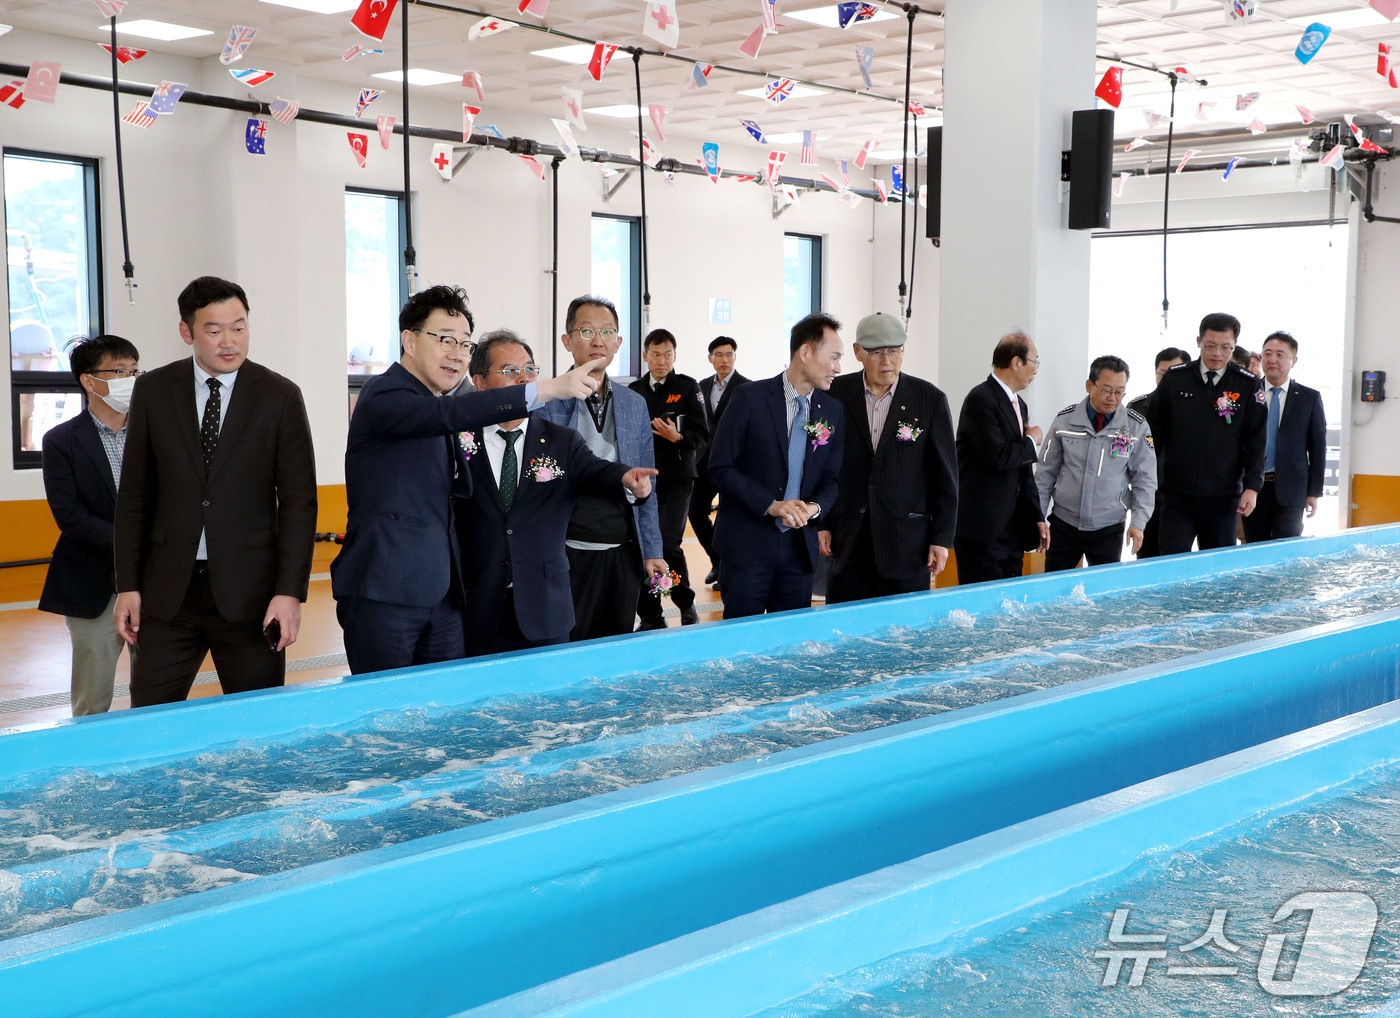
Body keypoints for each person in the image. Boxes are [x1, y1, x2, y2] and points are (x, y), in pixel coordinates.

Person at [332, 285, 601, 673]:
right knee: (385, 720)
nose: (456, 353)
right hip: (385, 594)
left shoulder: (438, 406)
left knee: (448, 716)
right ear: (409, 340)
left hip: (442, 597)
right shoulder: (385, 394)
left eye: (464, 343)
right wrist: (543, 389)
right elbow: (451, 414)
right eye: (445, 340)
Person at [114, 277, 317, 706]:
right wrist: (128, 585)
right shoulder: (153, 391)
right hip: (168, 595)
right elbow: (134, 496)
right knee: (150, 719)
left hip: (252, 597)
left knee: (256, 727)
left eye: (239, 327)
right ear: (187, 332)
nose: (230, 341)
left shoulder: (279, 396)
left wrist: (289, 593)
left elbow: (299, 503)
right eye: (214, 330)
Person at [455, 331, 657, 654]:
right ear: (479, 382)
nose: (524, 380)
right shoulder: (459, 440)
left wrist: (627, 480)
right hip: (478, 606)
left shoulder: (560, 440)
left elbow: (597, 472)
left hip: (544, 608)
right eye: (510, 372)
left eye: (530, 370)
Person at [536, 295, 666, 640]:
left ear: (618, 342)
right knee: (567, 647)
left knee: (617, 645)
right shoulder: (546, 402)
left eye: (607, 331)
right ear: (567, 340)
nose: (598, 340)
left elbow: (647, 480)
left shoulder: (634, 404)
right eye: (587, 330)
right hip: (568, 551)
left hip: (622, 549)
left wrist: (653, 550)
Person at [708, 312, 845, 618]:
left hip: (799, 550)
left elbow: (832, 480)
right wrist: (770, 505)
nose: (838, 368)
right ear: (805, 352)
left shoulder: (832, 411)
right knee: (742, 643)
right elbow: (719, 467)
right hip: (747, 545)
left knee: (790, 649)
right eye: (833, 357)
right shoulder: (750, 398)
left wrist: (813, 509)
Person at [817, 312, 957, 603]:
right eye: (877, 352)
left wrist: (941, 538)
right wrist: (823, 523)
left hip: (906, 543)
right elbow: (821, 465)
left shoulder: (928, 399)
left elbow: (946, 477)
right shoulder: (834, 396)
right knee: (845, 631)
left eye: (894, 351)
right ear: (857, 352)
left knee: (905, 635)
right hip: (848, 539)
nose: (887, 361)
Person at [38, 335, 141, 715]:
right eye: (119, 371)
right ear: (88, 381)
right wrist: (133, 542)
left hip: (154, 579)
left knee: (155, 686)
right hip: (92, 581)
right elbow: (70, 516)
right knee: (92, 692)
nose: (129, 378)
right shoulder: (61, 441)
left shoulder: (156, 433)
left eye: (134, 371)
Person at [1150, 312, 1267, 554]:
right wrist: (1148, 480)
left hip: (1223, 498)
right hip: (1176, 496)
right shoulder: (1176, 379)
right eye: (1211, 346)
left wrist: (1252, 487)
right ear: (1199, 342)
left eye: (1226, 347)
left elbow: (1256, 440)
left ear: (1234, 347)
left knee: (1218, 572)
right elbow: (1153, 433)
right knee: (1171, 564)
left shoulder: (1247, 385)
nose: (1218, 354)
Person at [1035, 355, 1157, 570]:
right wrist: (1038, 516)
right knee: (1053, 588)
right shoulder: (1065, 421)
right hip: (1065, 523)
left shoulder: (1135, 427)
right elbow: (1045, 474)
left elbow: (1145, 479)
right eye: (1107, 390)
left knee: (1104, 596)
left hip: (1108, 526)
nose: (1113, 398)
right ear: (1090, 385)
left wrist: (1138, 523)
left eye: (1119, 392)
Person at [953, 331, 1049, 584]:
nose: (1036, 369)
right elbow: (998, 456)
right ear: (1016, 362)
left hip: (1013, 527)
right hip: (982, 528)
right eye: (1034, 362)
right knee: (981, 607)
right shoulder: (980, 399)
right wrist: (1031, 441)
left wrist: (1037, 515)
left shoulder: (1020, 404)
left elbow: (1023, 468)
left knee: (1009, 608)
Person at [629, 329, 708, 628]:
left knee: (667, 543)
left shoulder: (687, 388)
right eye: (656, 354)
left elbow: (702, 436)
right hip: (641, 482)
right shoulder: (634, 391)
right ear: (645, 355)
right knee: (642, 547)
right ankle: (651, 616)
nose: (662, 361)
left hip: (676, 479)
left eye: (668, 354)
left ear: (675, 355)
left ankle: (685, 602)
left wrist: (677, 437)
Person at [1241, 331, 1327, 542]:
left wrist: (1314, 492)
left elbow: (1317, 448)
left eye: (1280, 354)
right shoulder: (1247, 394)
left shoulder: (1309, 398)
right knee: (1254, 545)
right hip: (1253, 487)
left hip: (1292, 489)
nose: (1272, 359)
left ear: (1293, 360)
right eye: (1267, 353)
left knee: (1286, 548)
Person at [689, 336, 750, 589]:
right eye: (719, 354)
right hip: (705, 461)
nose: (724, 359)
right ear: (710, 358)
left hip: (734, 462)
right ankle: (718, 562)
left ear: (735, 357)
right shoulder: (700, 386)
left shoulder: (746, 388)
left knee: (729, 517)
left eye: (729, 354)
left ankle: (728, 571)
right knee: (695, 511)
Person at [1127, 347, 1190, 559]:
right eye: (1163, 373)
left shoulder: (1197, 407)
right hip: (1148, 497)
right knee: (1147, 556)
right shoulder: (1137, 407)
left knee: (1178, 559)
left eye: (1175, 372)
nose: (1168, 379)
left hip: (1184, 496)